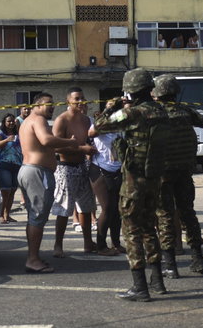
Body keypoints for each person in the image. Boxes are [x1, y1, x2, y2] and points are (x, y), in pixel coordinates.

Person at [94, 68, 169, 302]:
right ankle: (157, 281)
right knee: (149, 228)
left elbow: (100, 125)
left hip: (133, 180)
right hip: (154, 178)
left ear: (131, 90)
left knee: (132, 230)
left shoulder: (133, 113)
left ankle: (139, 287)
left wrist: (111, 106)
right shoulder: (162, 112)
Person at [152, 74, 203, 278]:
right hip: (185, 172)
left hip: (163, 174)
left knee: (165, 217)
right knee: (188, 214)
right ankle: (198, 259)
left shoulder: (154, 113)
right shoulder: (186, 111)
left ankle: (170, 265)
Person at [18, 92, 79, 273]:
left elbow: (45, 143)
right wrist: (70, 142)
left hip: (29, 170)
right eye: (48, 103)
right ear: (36, 105)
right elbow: (46, 140)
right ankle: (32, 259)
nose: (52, 106)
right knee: (38, 217)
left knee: (34, 217)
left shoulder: (29, 121)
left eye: (53, 103)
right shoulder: (38, 119)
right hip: (37, 172)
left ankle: (33, 256)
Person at [51, 87, 98, 258]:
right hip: (66, 168)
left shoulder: (86, 120)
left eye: (82, 98)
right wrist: (79, 147)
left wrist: (89, 150)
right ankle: (58, 244)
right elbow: (54, 146)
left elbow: (90, 141)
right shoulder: (61, 120)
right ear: (68, 101)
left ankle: (88, 242)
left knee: (86, 207)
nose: (80, 101)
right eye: (77, 98)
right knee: (64, 209)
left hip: (82, 167)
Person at [88, 105, 124, 256]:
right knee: (107, 208)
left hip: (118, 169)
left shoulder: (122, 124)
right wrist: (108, 111)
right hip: (100, 170)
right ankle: (101, 246)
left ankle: (116, 243)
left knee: (117, 210)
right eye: (110, 108)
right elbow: (91, 132)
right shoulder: (99, 124)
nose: (114, 110)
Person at [0, 113, 22, 224]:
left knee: (12, 191)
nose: (11, 123)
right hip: (4, 165)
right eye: (8, 121)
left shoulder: (18, 134)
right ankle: (0, 215)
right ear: (4, 123)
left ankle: (7, 214)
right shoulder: (1, 134)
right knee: (5, 191)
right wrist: (6, 140)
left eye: (12, 121)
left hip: (16, 165)